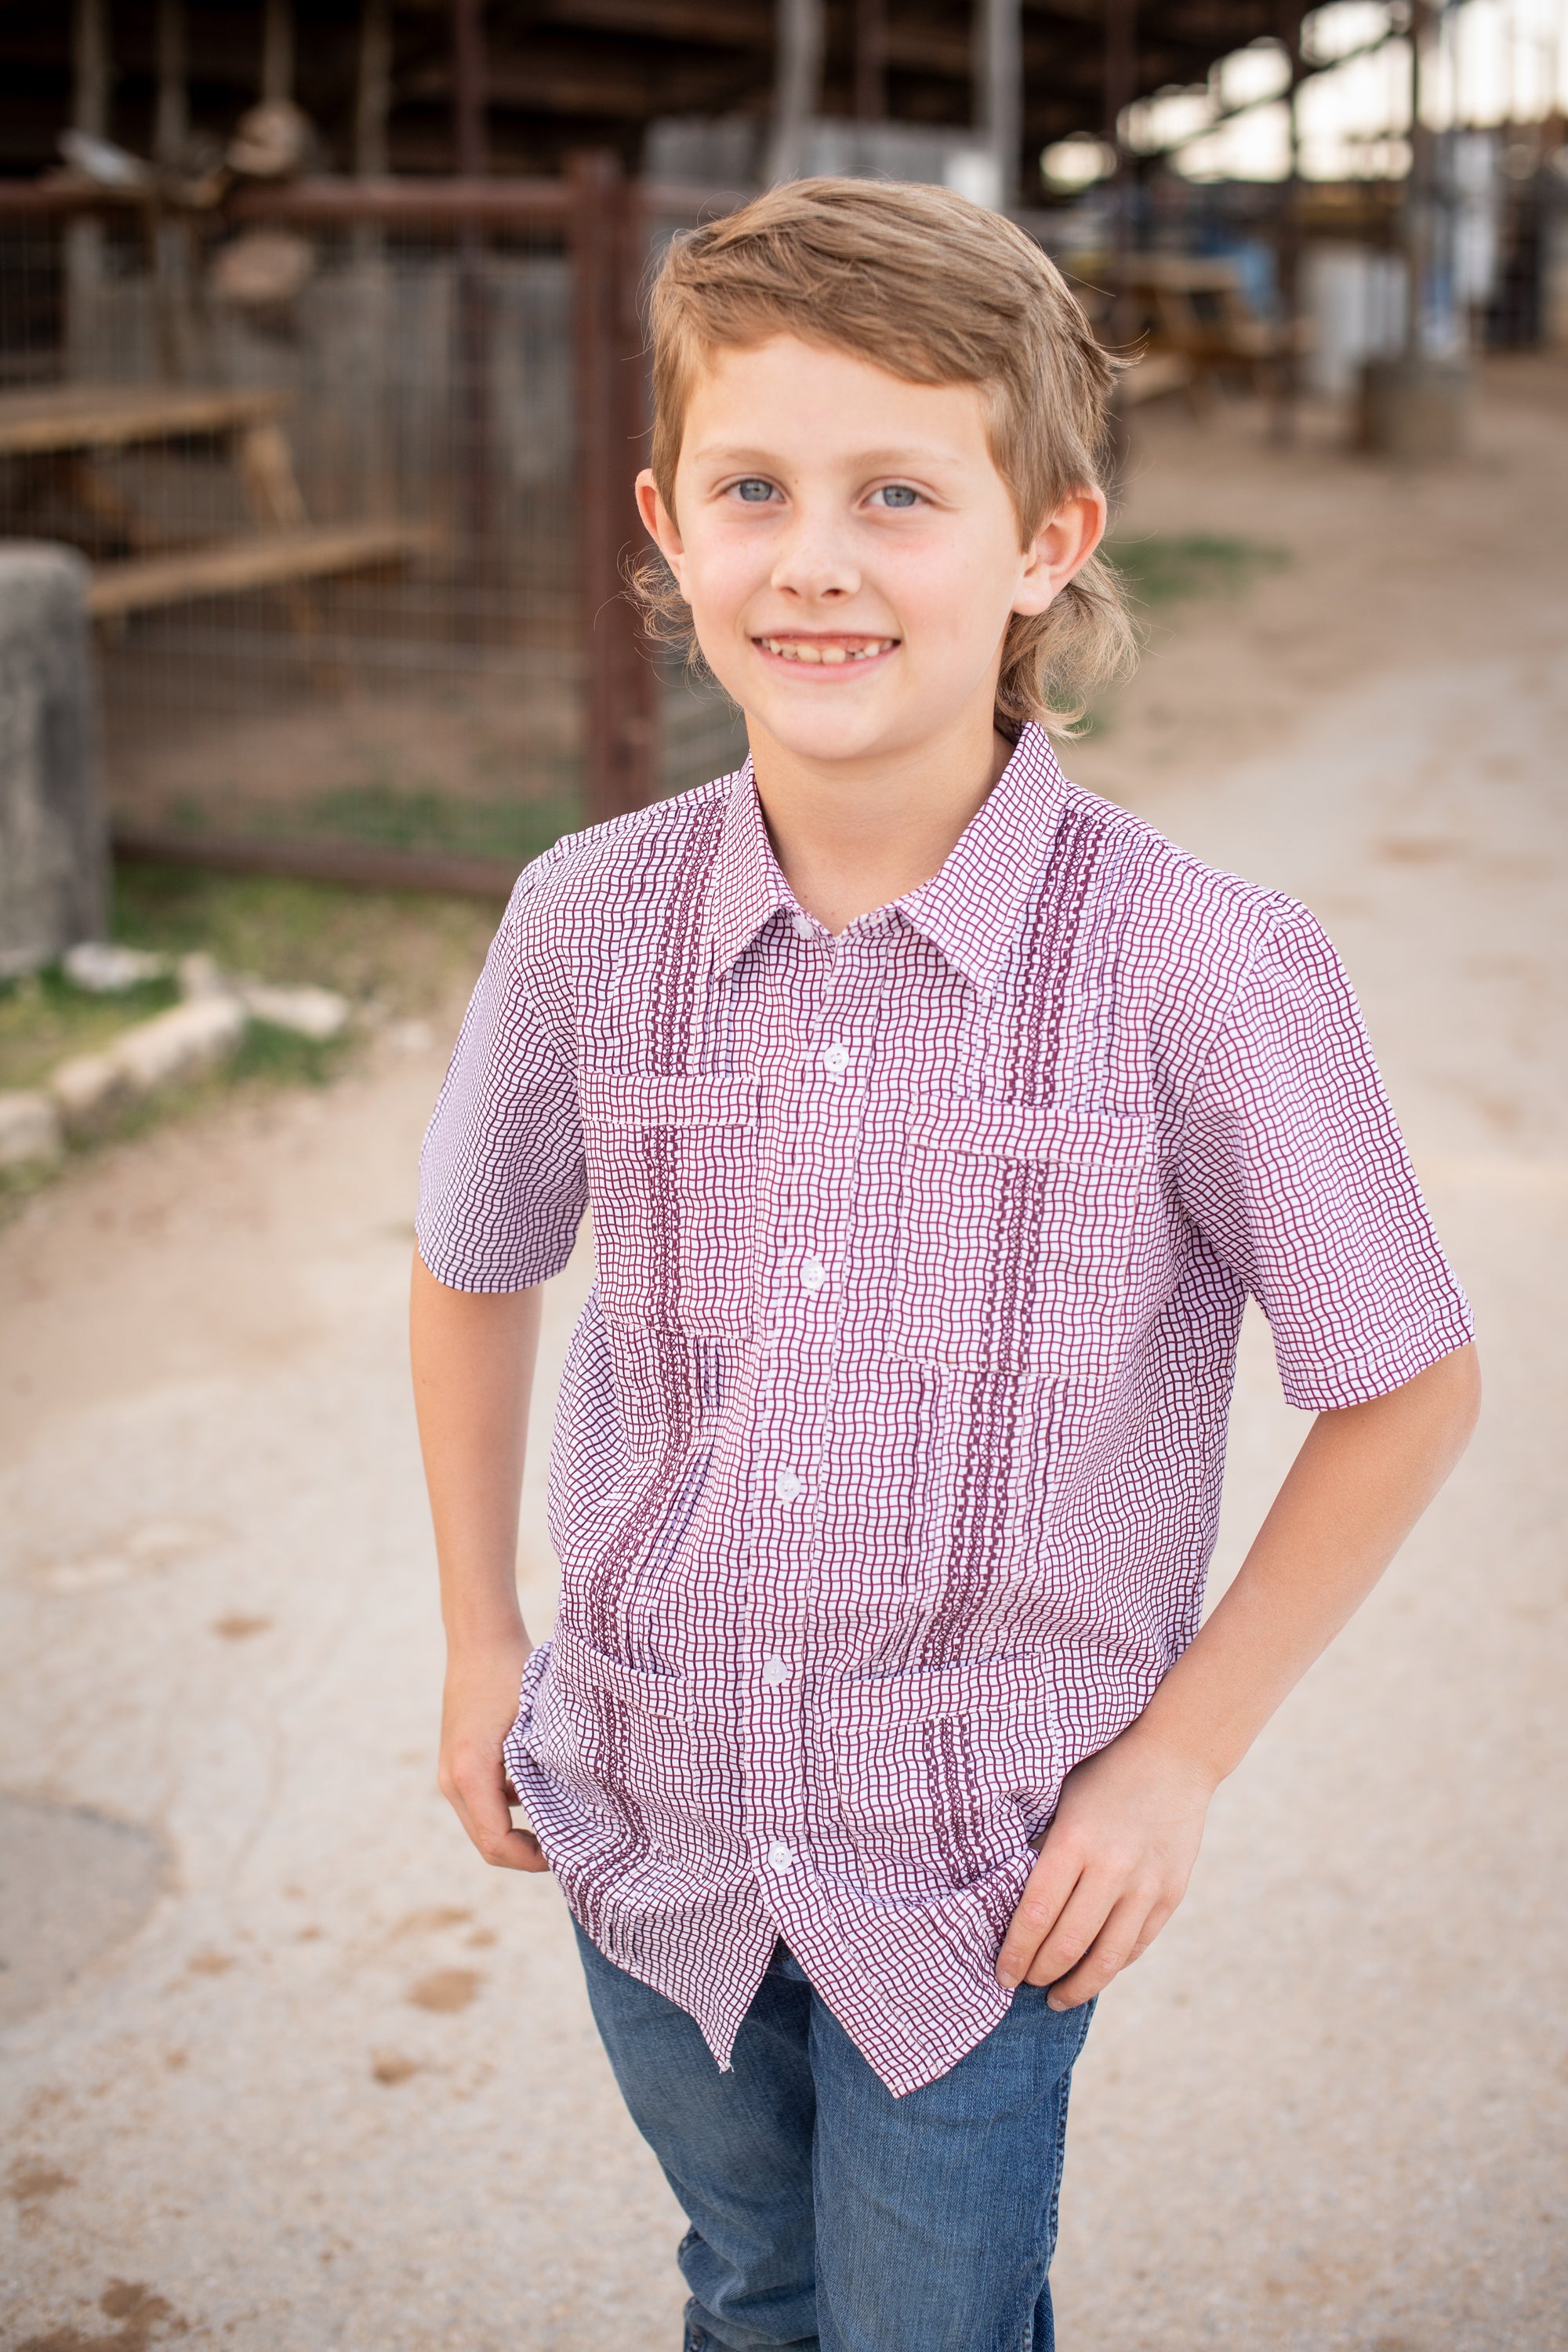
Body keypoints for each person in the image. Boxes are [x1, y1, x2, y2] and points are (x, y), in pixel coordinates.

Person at [409, 180, 1479, 2352]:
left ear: (1047, 543)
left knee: (925, 2328)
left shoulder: (1200, 968)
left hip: (978, 1875)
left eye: (900, 491)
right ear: (666, 522)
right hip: (648, 1816)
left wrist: (1177, 1759)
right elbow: (470, 1260)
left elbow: (1406, 1376)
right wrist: (475, 1636)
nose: (814, 556)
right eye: (755, 488)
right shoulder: (585, 923)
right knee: (749, 2277)